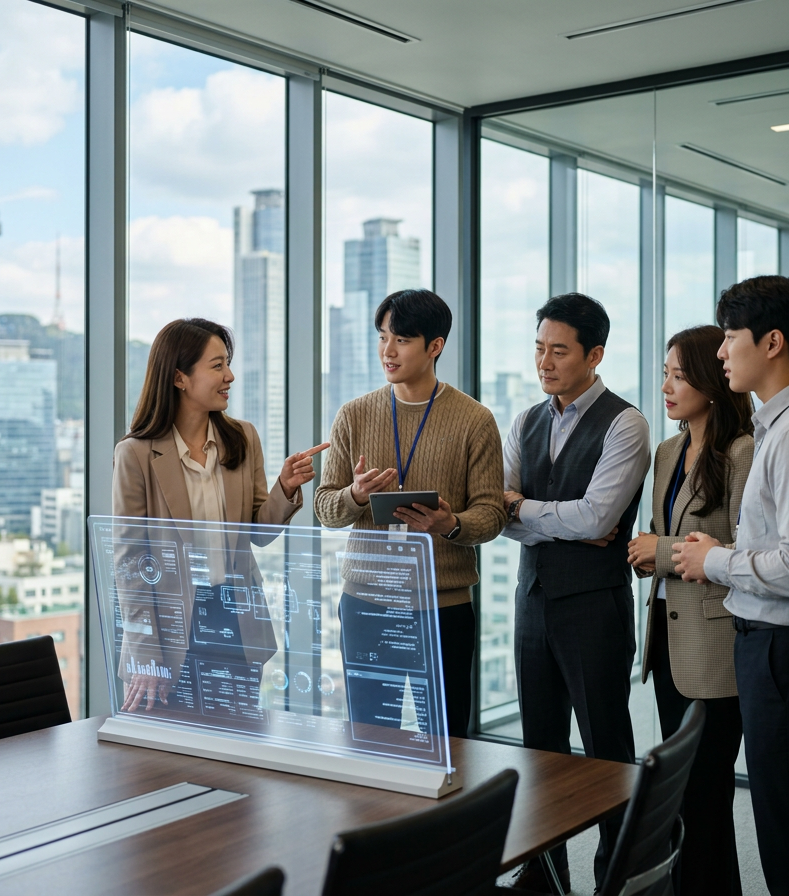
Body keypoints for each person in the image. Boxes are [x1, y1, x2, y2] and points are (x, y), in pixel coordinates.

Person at [673, 275, 789, 896]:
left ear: (773, 342)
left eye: (731, 336)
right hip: (787, 651)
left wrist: (716, 561)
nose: (721, 351)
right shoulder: (787, 423)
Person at [502, 293, 651, 893]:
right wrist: (554, 517)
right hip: (532, 602)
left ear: (595, 355)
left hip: (595, 607)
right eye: (539, 348)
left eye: (559, 351)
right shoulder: (524, 421)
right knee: (539, 749)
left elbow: (598, 519)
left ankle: (620, 877)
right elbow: (499, 515)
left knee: (606, 748)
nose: (544, 362)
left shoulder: (626, 423)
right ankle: (545, 878)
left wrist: (526, 508)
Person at [315, 289, 506, 738]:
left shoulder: (475, 420)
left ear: (435, 346)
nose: (388, 350)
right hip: (366, 604)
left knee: (446, 739)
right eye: (383, 337)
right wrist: (355, 495)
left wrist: (451, 524)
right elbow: (325, 507)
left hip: (441, 606)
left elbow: (492, 513)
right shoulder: (353, 415)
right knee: (369, 736)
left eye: (401, 340)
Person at [113, 318, 328, 713]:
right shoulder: (136, 454)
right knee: (171, 745)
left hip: (236, 621)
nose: (229, 376)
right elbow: (129, 564)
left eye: (227, 364)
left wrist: (284, 488)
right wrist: (146, 653)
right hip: (168, 630)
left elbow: (258, 533)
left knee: (238, 740)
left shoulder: (242, 438)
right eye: (217, 366)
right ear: (179, 378)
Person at [627, 325, 753, 896]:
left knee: (705, 795)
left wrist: (662, 552)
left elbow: (743, 552)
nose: (667, 387)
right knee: (684, 795)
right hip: (668, 641)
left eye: (679, 376)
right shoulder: (668, 451)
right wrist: (648, 553)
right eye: (665, 375)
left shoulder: (743, 451)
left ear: (710, 380)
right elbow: (666, 532)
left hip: (715, 646)